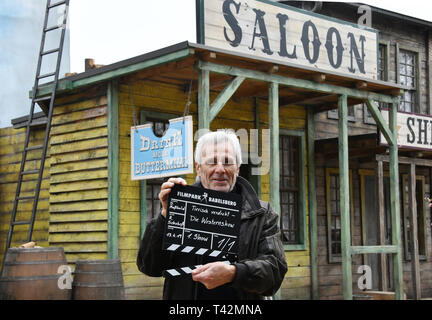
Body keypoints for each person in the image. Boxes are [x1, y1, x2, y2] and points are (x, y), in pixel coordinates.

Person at [137, 130, 287, 300]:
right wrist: (166, 215)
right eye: (212, 162)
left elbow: (275, 270)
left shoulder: (261, 214)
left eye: (228, 162)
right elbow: (149, 266)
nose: (220, 169)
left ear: (237, 168)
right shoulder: (181, 206)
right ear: (198, 168)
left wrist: (234, 273)